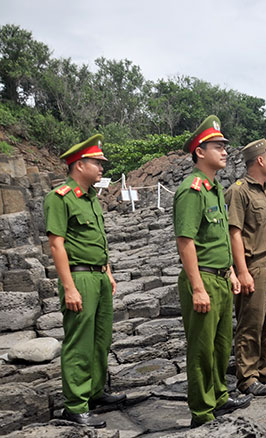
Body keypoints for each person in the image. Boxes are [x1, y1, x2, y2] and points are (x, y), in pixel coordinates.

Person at [173, 115, 251, 428]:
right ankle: (202, 412)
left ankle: (219, 396)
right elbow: (185, 242)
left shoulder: (214, 188)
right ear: (200, 152)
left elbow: (219, 238)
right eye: (218, 146)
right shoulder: (191, 190)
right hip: (202, 278)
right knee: (202, 349)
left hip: (220, 277)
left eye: (224, 146)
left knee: (221, 346)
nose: (225, 151)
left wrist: (231, 271)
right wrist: (197, 287)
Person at [43, 134, 125, 428]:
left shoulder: (90, 198)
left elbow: (97, 240)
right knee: (79, 342)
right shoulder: (60, 197)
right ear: (79, 164)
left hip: (100, 277)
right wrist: (68, 287)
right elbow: (57, 245)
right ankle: (75, 406)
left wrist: (109, 271)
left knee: (101, 339)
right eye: (97, 162)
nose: (102, 167)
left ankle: (95, 392)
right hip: (79, 277)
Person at [226, 139, 266, 396]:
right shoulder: (238, 191)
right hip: (254, 266)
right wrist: (241, 271)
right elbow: (234, 233)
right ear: (260, 160)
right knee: (251, 324)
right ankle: (248, 378)